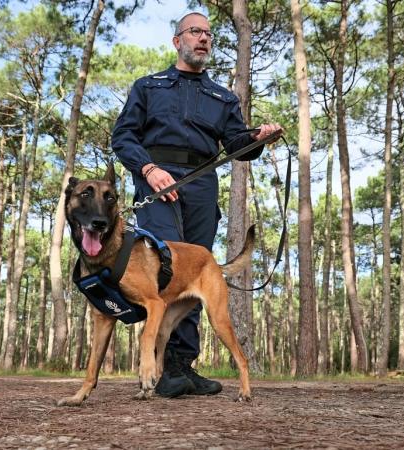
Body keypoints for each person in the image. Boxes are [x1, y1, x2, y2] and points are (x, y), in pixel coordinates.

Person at [111, 11, 281, 398]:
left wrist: (258, 137)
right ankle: (161, 366)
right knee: (166, 273)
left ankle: (183, 366)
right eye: (195, 32)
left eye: (208, 33)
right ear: (177, 41)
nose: (203, 38)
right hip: (158, 184)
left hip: (202, 187)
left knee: (196, 276)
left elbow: (238, 146)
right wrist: (148, 169)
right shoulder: (148, 87)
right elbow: (123, 137)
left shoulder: (223, 97)